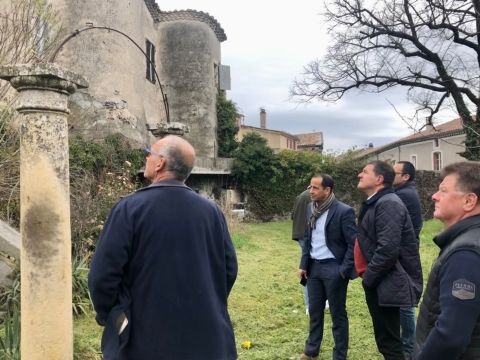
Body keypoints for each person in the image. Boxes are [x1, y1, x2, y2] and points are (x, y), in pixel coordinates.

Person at [88, 135, 238, 360]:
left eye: (150, 153)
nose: (147, 157)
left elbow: (103, 276)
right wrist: (206, 301)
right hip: (206, 339)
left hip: (142, 341)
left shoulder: (129, 208)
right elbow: (229, 269)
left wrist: (112, 316)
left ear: (160, 164)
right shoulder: (212, 212)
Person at [355, 161, 423, 360]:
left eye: (364, 172)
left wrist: (369, 279)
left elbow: (387, 250)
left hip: (384, 280)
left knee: (390, 343)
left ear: (379, 179)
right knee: (386, 340)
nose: (359, 174)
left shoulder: (389, 203)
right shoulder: (377, 201)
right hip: (381, 280)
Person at [415, 162, 480, 359]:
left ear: (469, 201)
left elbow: (450, 337)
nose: (434, 196)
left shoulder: (465, 254)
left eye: (443, 191)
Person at [298, 174, 357, 360]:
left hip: (334, 268)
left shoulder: (343, 211)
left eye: (315, 188)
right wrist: (303, 264)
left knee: (338, 315)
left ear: (327, 190)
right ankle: (311, 351)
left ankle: (339, 356)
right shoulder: (310, 208)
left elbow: (353, 243)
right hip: (314, 268)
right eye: (310, 187)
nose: (311, 191)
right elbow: (307, 238)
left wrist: (343, 270)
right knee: (315, 312)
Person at [393, 161, 423, 359]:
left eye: (394, 173)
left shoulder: (403, 195)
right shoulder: (405, 192)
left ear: (406, 177)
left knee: (404, 301)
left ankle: (408, 349)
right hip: (406, 251)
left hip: (403, 253)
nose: (390, 175)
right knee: (401, 299)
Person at [292, 189, 312, 314]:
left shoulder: (300, 196)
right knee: (308, 267)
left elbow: (293, 215)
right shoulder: (311, 196)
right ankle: (309, 304)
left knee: (308, 266)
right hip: (306, 235)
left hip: (299, 234)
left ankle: (313, 303)